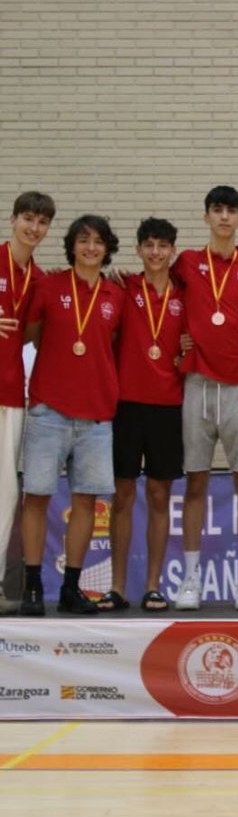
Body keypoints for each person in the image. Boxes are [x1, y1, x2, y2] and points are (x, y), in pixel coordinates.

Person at [19, 215, 123, 615]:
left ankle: (71, 588)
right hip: (49, 410)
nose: (91, 248)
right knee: (36, 498)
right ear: (72, 246)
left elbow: (111, 344)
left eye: (98, 241)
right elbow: (31, 334)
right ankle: (31, 588)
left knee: (86, 501)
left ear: (107, 248)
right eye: (83, 240)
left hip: (97, 416)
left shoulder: (116, 297)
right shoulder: (49, 286)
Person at [171, 186, 238, 609]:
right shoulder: (187, 262)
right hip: (196, 385)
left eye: (231, 211)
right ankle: (190, 579)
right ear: (206, 216)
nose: (224, 217)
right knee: (196, 482)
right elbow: (161, 297)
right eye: (217, 210)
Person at [106, 218, 186, 612]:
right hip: (126, 407)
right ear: (138, 250)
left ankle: (153, 586)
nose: (155, 252)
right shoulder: (123, 289)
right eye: (148, 245)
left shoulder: (185, 296)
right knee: (122, 496)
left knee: (159, 496)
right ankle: (117, 587)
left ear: (173, 251)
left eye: (163, 246)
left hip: (169, 408)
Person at [0, 191, 55, 614]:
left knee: (6, 491)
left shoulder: (38, 280)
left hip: (12, 394)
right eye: (28, 219)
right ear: (13, 219)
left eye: (41, 222)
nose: (33, 228)